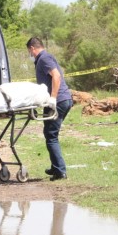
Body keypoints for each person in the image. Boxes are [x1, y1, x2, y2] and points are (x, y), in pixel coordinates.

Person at [27, 37, 74, 181]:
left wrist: (53, 98)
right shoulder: (44, 58)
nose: (30, 54)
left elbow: (56, 76)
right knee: (49, 133)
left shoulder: (44, 58)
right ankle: (55, 167)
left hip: (58, 101)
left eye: (29, 51)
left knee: (51, 135)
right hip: (60, 100)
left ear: (32, 48)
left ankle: (60, 171)